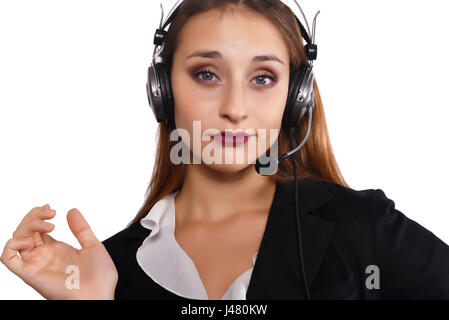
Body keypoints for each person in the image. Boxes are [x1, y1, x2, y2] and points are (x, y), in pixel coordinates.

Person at [2, 0, 449, 300]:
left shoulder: (363, 228)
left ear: (296, 99)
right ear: (163, 91)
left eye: (262, 79)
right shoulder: (109, 270)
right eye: (207, 74)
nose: (235, 109)